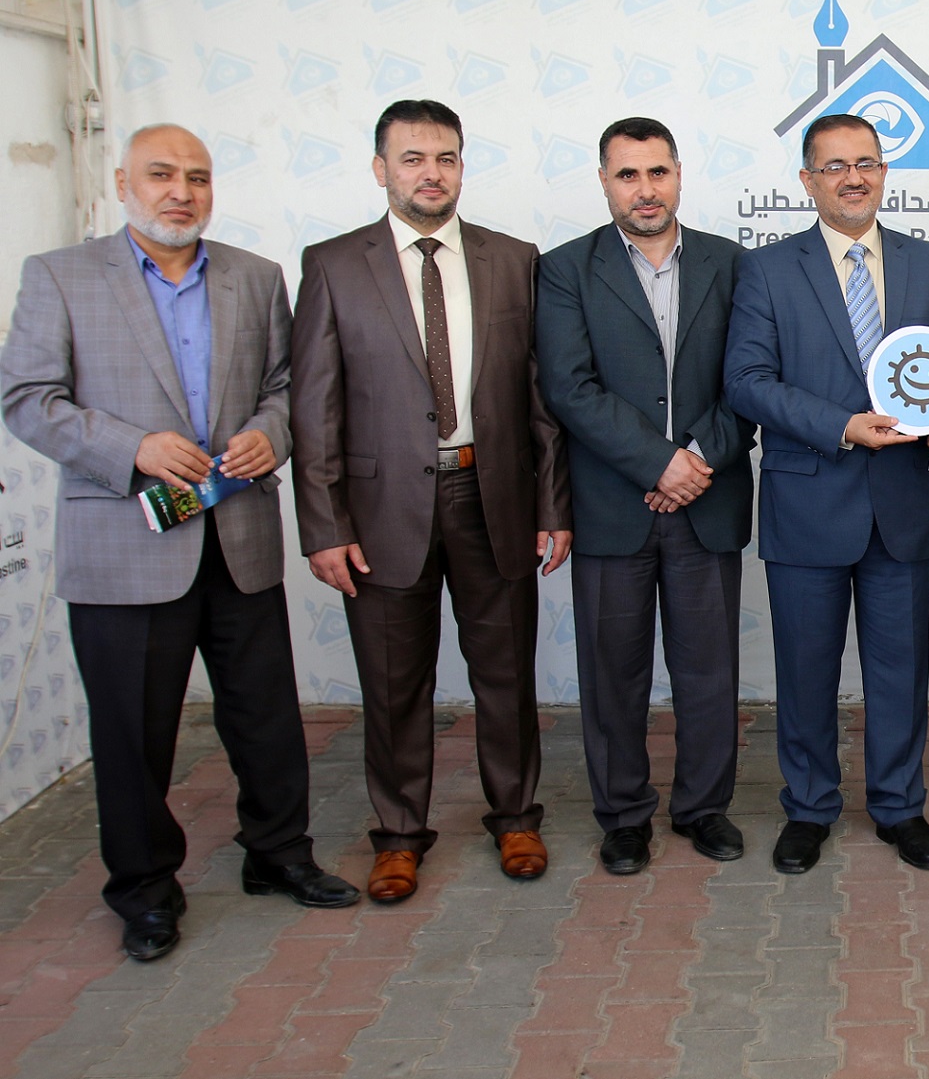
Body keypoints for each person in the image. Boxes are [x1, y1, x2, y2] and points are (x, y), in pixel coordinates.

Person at [0, 124, 359, 961]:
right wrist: (132, 447)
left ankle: (279, 853)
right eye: (161, 174)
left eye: (197, 177)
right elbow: (27, 398)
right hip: (124, 548)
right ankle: (144, 890)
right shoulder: (60, 276)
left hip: (237, 537)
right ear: (122, 182)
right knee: (133, 734)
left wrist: (272, 432)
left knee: (267, 718)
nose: (181, 192)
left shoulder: (255, 276)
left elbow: (289, 386)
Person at [290, 99, 572, 904]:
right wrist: (324, 525)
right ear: (381, 168)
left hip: (494, 498)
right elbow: (314, 409)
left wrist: (553, 507)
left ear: (462, 166)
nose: (431, 173)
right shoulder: (333, 265)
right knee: (393, 684)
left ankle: (516, 816)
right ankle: (398, 835)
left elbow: (542, 401)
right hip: (381, 513)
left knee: (505, 675)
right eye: (412, 158)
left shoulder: (513, 260)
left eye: (445, 157)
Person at [723, 113, 929, 874]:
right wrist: (842, 426)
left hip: (903, 504)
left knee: (900, 670)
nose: (853, 178)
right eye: (834, 167)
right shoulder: (767, 270)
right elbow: (747, 381)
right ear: (808, 180)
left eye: (866, 163)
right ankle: (809, 807)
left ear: (884, 173)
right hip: (808, 500)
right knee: (806, 670)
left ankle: (900, 807)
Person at [536, 117, 753, 874]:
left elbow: (749, 380)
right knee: (613, 676)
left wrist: (696, 459)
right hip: (612, 506)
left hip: (708, 500)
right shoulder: (565, 269)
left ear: (680, 174)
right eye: (627, 174)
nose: (645, 189)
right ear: (604, 181)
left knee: (708, 672)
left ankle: (704, 807)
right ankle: (624, 815)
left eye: (658, 171)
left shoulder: (733, 264)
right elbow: (569, 388)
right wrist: (659, 465)